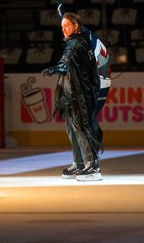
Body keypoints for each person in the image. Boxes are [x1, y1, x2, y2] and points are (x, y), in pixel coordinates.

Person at [42, 12, 103, 181]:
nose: (63, 29)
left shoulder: (76, 45)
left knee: (82, 128)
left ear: (76, 26)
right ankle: (80, 163)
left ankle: (92, 165)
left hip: (80, 94)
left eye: (66, 26)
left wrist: (55, 69)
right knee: (72, 129)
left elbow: (66, 63)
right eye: (62, 27)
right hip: (72, 93)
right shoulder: (78, 42)